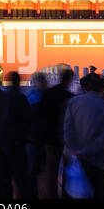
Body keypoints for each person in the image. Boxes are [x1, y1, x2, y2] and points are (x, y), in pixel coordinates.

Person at [63, 74, 104, 199]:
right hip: (95, 161)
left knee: (71, 193)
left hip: (72, 158)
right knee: (94, 192)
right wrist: (85, 152)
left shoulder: (73, 102)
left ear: (86, 88)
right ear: (101, 88)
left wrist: (75, 151)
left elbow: (67, 130)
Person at [0, 71, 31, 199]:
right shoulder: (21, 98)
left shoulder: (2, 98)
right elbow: (28, 120)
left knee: (4, 177)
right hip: (16, 143)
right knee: (20, 177)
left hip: (2, 143)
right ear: (18, 82)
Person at [41, 68, 74, 198]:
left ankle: (52, 196)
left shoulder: (48, 93)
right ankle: (66, 195)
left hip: (50, 138)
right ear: (70, 80)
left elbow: (42, 114)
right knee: (67, 171)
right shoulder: (70, 97)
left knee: (51, 172)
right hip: (66, 140)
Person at [25, 72, 48, 199]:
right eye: (44, 81)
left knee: (34, 169)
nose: (46, 83)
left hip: (33, 138)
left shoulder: (30, 96)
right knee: (34, 169)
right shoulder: (36, 97)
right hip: (36, 139)